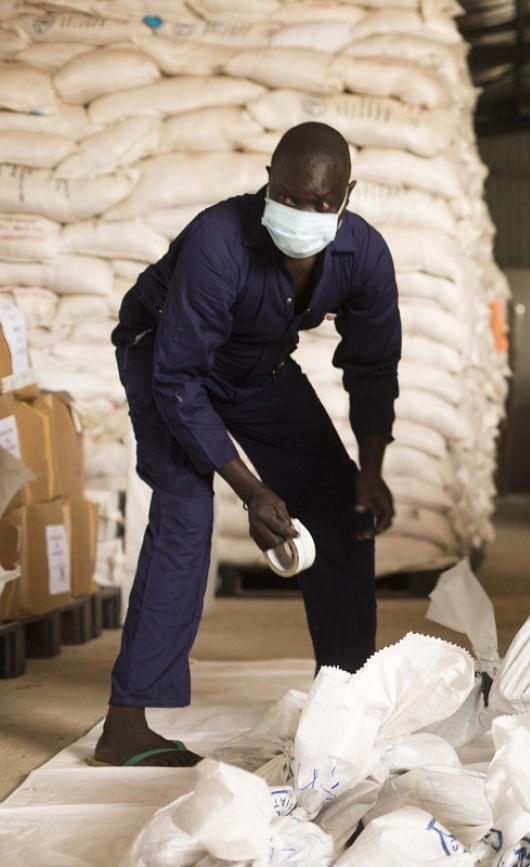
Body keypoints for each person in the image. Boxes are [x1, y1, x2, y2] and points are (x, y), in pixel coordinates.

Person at [92, 122, 401, 768]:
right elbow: (179, 378)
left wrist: (370, 470)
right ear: (268, 183)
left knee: (341, 500)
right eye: (289, 196)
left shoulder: (363, 254)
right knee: (185, 508)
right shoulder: (218, 241)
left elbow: (373, 364)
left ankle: (343, 696)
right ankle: (126, 723)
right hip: (166, 358)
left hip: (258, 368)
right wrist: (251, 489)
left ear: (348, 195)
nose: (303, 214)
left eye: (321, 203)